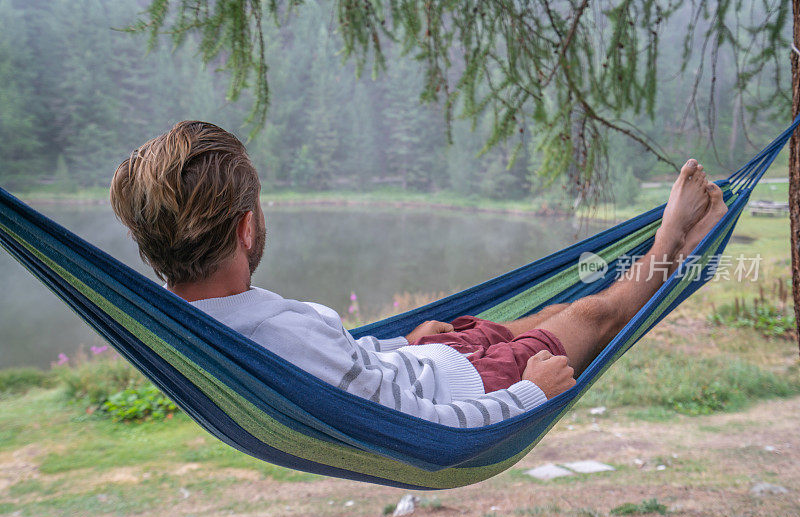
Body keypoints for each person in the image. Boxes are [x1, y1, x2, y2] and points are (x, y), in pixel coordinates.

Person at [110, 121, 727, 428]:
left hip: (426, 357)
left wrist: (399, 341)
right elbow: (419, 427)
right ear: (247, 230)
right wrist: (529, 395)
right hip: (471, 390)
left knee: (541, 317)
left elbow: (341, 366)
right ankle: (673, 242)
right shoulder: (275, 339)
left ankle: (660, 252)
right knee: (594, 316)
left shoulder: (200, 329)